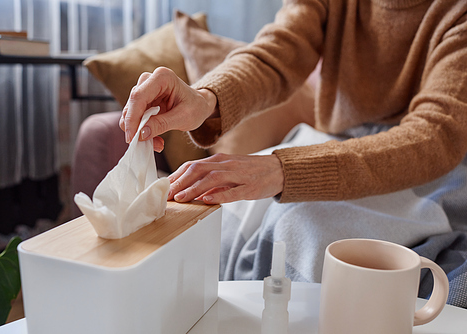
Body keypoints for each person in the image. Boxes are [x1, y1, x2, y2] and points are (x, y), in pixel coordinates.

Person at [120, 0, 467, 283]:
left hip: (429, 169)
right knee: (216, 218)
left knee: (300, 232)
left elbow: (435, 135)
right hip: (333, 146)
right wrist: (206, 97)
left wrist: (283, 170)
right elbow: (277, 52)